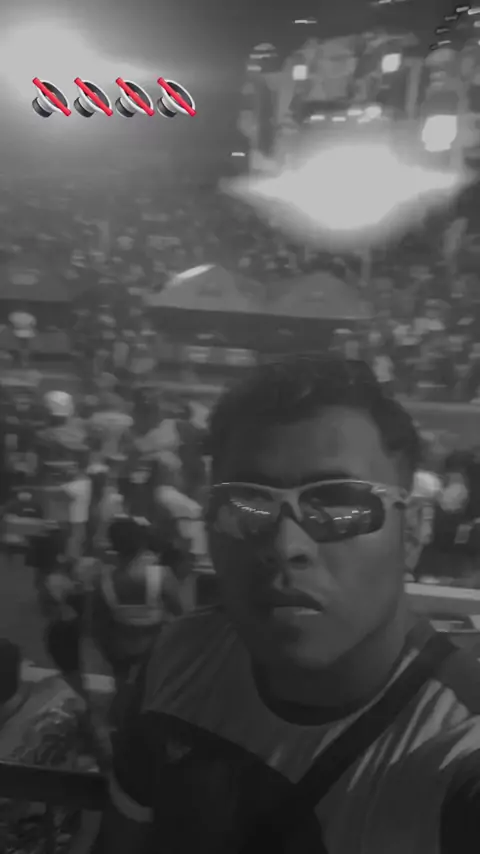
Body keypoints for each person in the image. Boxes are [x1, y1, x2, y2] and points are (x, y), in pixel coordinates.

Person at [99, 355, 480, 854]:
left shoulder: (459, 748)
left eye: (340, 504)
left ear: (412, 531)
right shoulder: (178, 655)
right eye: (246, 504)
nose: (285, 545)